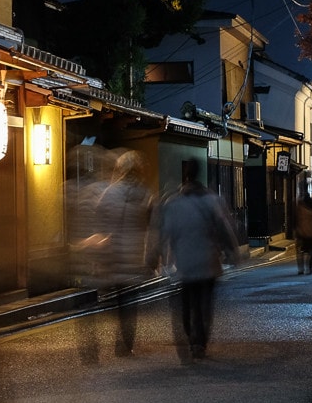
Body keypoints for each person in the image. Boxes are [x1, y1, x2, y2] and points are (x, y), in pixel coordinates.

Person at [152, 160, 239, 364]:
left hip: (185, 262)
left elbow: (163, 233)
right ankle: (200, 342)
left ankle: (191, 338)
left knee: (188, 303)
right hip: (208, 260)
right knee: (204, 304)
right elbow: (223, 228)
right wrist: (232, 250)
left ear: (185, 177)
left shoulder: (173, 204)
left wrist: (154, 256)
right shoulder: (211, 201)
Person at [87, 150, 154, 357]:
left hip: (113, 254)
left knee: (114, 301)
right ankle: (124, 345)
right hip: (134, 257)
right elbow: (151, 227)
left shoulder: (109, 193)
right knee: (129, 304)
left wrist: (98, 256)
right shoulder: (145, 195)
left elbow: (99, 221)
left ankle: (115, 342)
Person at [295, 192, 312, 275]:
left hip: (301, 231)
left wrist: (296, 229)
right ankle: (310, 267)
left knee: (300, 250)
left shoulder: (299, 205)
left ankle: (301, 268)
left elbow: (295, 218)